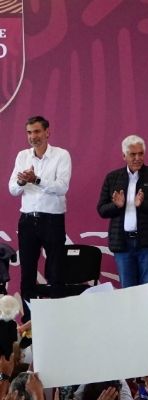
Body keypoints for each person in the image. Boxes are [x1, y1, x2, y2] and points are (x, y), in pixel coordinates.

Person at [7, 116, 71, 318]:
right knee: (27, 275)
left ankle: (56, 321)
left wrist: (37, 179)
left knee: (55, 274)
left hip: (52, 219)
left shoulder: (61, 155)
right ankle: (29, 325)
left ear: (47, 132)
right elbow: (12, 190)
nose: (32, 136)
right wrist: (22, 182)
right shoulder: (22, 156)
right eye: (29, 132)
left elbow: (62, 188)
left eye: (36, 132)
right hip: (27, 220)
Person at [97, 135, 148, 288]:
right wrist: (116, 205)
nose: (138, 158)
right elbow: (102, 210)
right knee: (128, 291)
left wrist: (143, 204)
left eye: (141, 153)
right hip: (123, 244)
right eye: (133, 154)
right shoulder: (112, 178)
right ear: (124, 156)